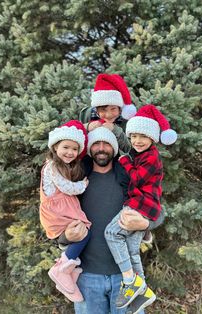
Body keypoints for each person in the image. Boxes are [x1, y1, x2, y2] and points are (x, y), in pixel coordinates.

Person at [62, 126, 149, 314]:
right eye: (96, 144)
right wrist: (64, 236)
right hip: (86, 277)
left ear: (114, 148)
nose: (101, 148)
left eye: (106, 144)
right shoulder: (76, 181)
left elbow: (157, 209)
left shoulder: (129, 177)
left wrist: (146, 224)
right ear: (89, 148)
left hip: (126, 278)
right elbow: (54, 213)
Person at [104, 104, 177, 313]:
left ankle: (130, 281)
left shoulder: (152, 156)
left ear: (153, 137)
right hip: (143, 204)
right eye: (133, 135)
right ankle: (142, 291)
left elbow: (136, 178)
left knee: (112, 232)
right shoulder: (139, 153)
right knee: (131, 249)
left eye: (143, 135)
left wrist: (125, 161)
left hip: (142, 204)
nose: (137, 140)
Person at [39, 120, 92, 302]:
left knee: (83, 233)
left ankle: (68, 270)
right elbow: (66, 187)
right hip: (57, 210)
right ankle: (60, 268)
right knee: (83, 233)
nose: (70, 152)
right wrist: (82, 185)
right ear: (55, 147)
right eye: (65, 147)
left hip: (63, 206)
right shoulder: (52, 166)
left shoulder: (63, 166)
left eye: (74, 149)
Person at [79, 73, 137, 154]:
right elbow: (75, 132)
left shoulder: (127, 121)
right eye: (103, 110)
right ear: (96, 109)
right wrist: (86, 127)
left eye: (113, 109)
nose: (109, 115)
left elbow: (130, 149)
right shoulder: (87, 114)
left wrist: (115, 130)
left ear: (119, 108)